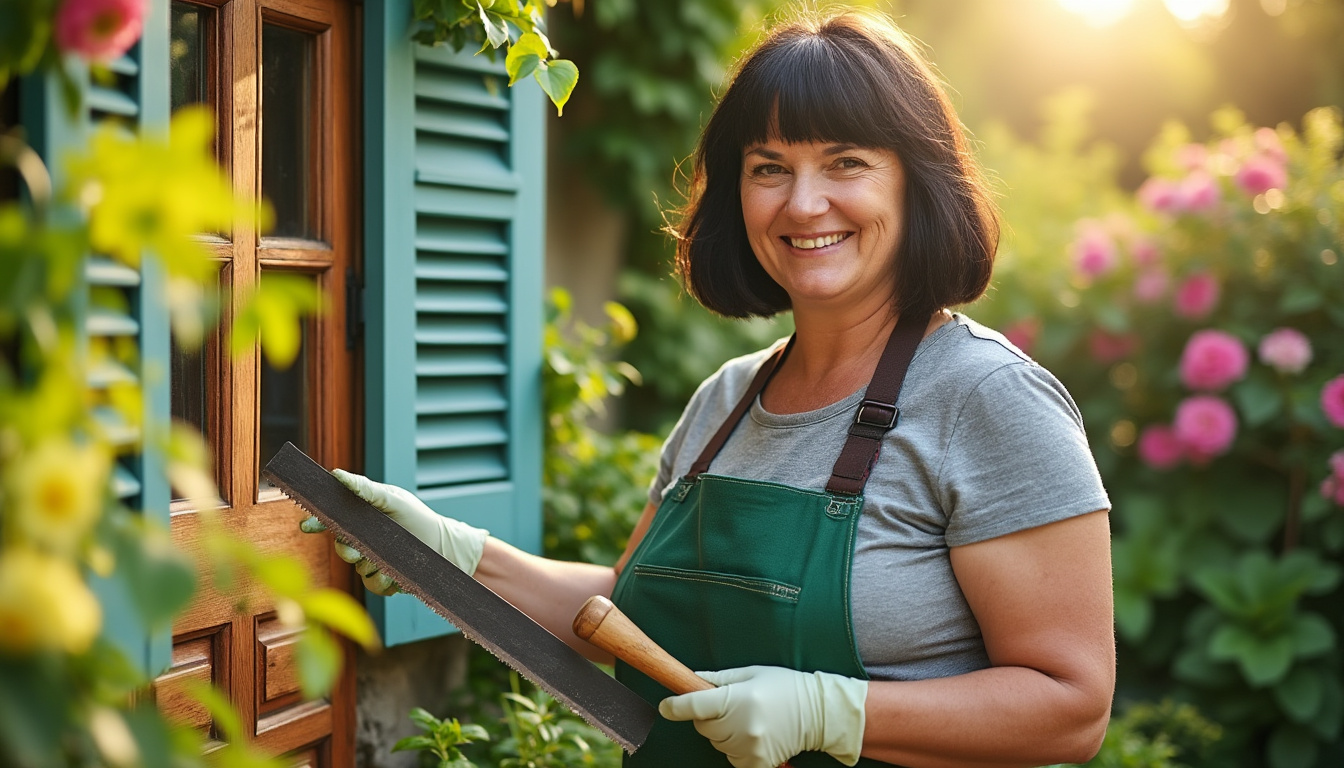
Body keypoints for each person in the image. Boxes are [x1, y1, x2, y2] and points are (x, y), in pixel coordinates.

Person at [307, 10, 1115, 768]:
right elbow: (623, 617)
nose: (803, 203)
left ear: (916, 183)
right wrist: (453, 554)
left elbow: (1071, 705)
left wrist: (835, 712)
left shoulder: (987, 399)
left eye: (846, 163)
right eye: (770, 168)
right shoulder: (730, 399)